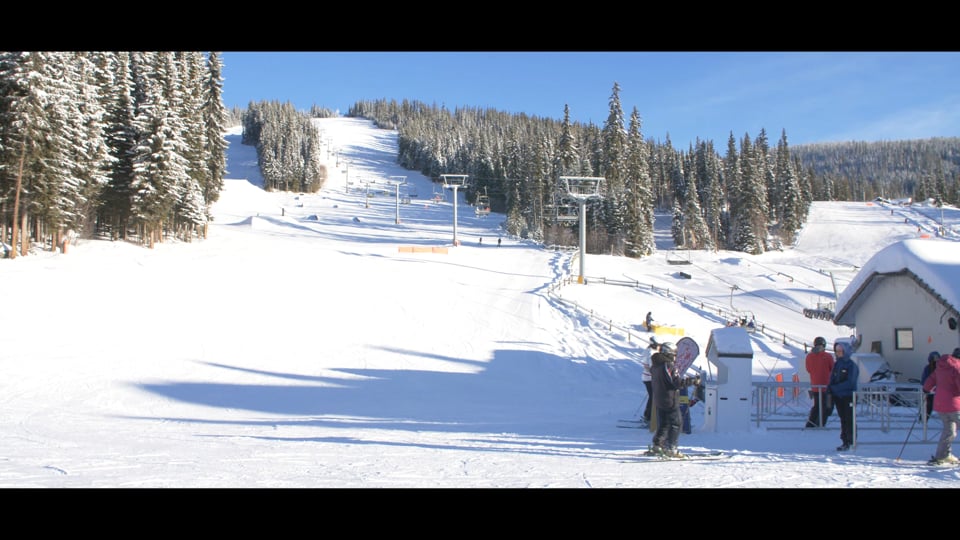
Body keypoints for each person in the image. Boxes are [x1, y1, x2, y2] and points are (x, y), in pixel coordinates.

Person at [646, 342, 700, 458]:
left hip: (659, 398)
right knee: (676, 423)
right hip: (669, 399)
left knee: (664, 423)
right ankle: (672, 448)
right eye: (674, 354)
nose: (675, 357)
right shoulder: (668, 365)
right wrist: (693, 381)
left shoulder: (655, 365)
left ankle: (657, 444)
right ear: (669, 353)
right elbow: (676, 383)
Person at [923, 349, 960, 465]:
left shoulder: (941, 367)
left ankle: (942, 456)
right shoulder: (957, 367)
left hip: (940, 405)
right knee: (949, 431)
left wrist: (926, 389)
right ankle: (943, 455)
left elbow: (930, 380)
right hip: (954, 405)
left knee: (949, 431)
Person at [827, 340, 859, 451]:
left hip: (848, 396)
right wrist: (830, 389)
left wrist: (835, 388)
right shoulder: (837, 364)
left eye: (840, 351)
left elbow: (851, 382)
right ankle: (845, 441)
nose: (838, 353)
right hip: (838, 397)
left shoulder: (851, 365)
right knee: (843, 419)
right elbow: (832, 378)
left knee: (849, 419)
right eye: (837, 351)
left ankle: (851, 441)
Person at [805, 336, 835, 428]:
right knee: (827, 406)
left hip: (815, 386)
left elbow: (808, 369)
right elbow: (833, 369)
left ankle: (811, 423)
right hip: (826, 386)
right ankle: (820, 423)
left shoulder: (809, 356)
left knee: (817, 405)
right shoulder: (827, 356)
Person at [920, 351, 940, 420]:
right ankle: (923, 420)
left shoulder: (940, 368)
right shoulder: (928, 368)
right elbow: (924, 380)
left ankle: (923, 420)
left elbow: (923, 381)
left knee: (928, 406)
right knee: (928, 406)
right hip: (932, 391)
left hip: (932, 390)